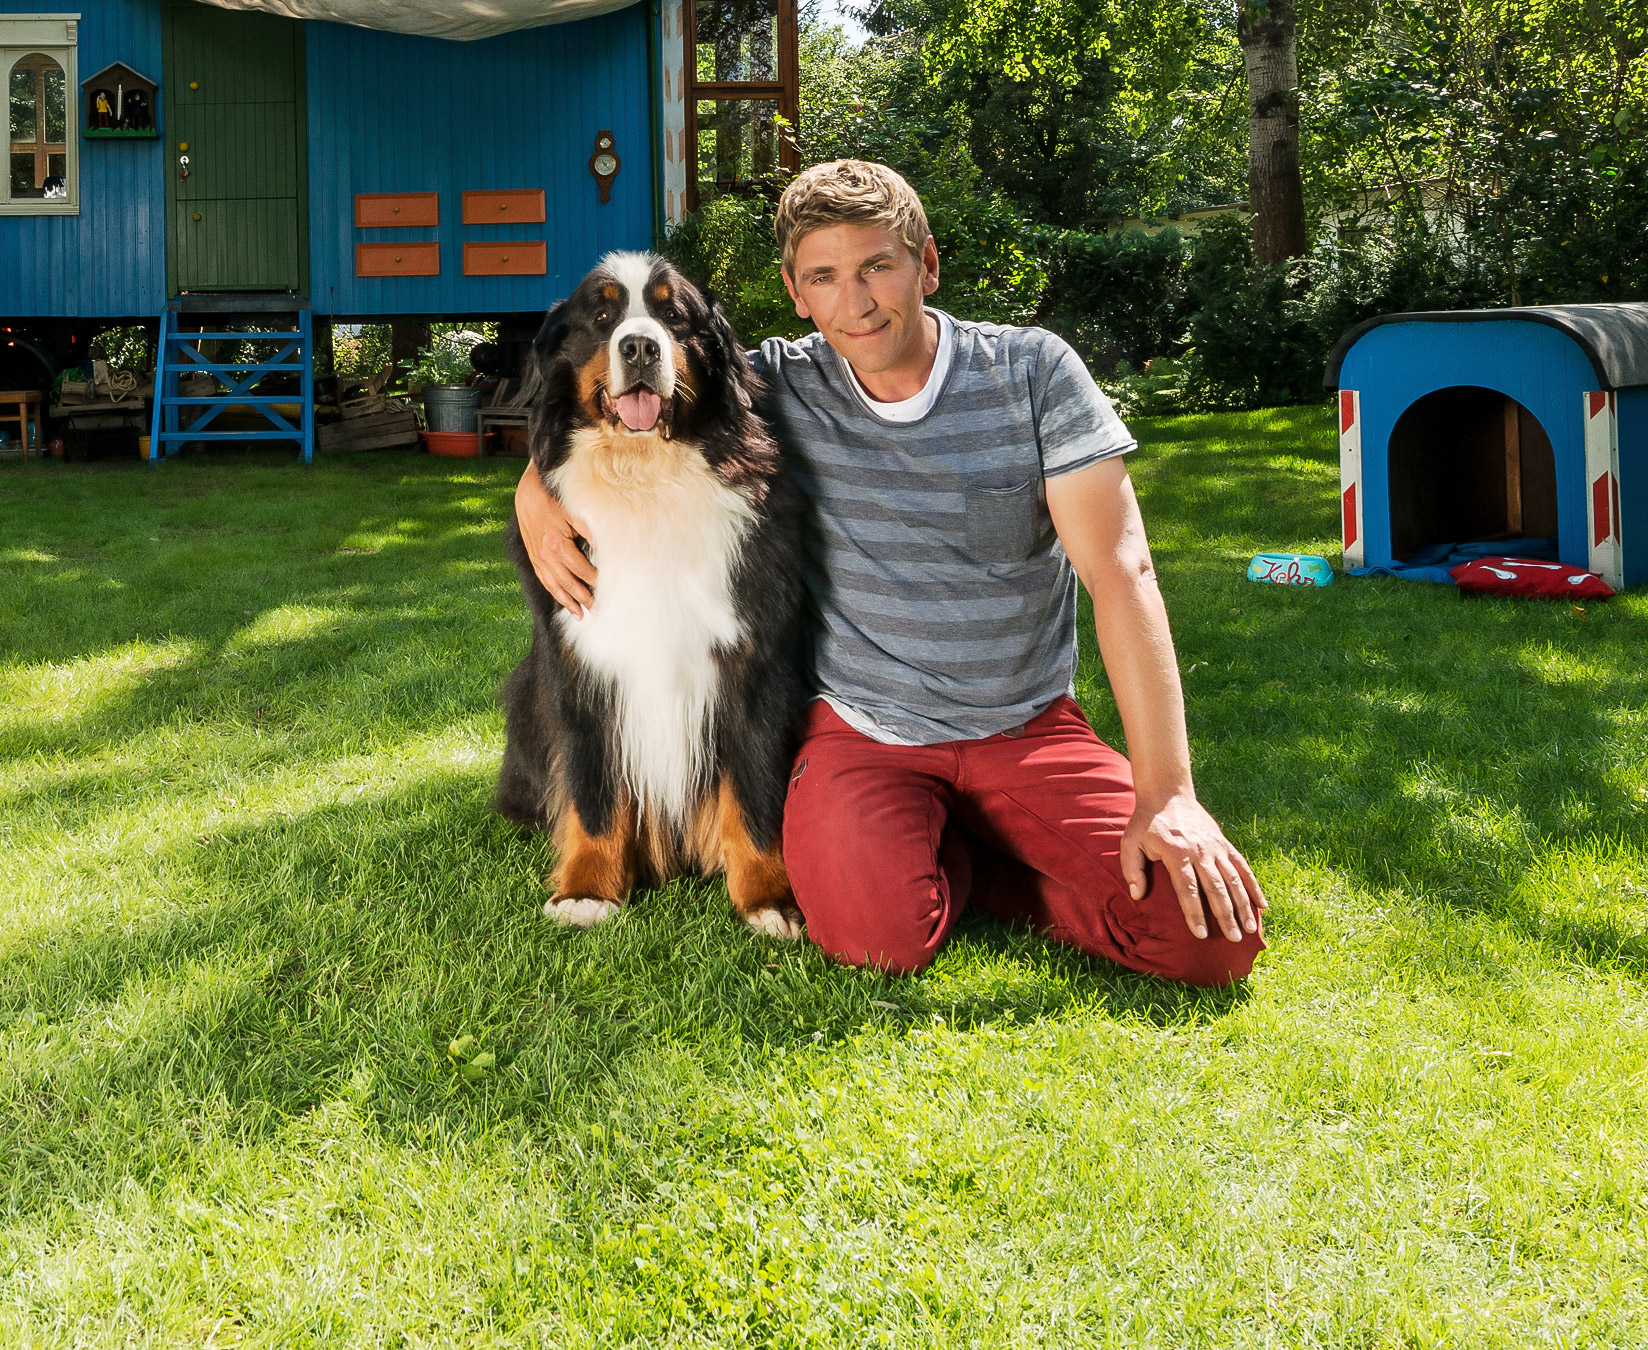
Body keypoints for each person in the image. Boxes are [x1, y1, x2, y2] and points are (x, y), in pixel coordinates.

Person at [513, 159, 1264, 986]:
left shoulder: (1034, 372)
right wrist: (534, 487)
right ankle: (954, 852)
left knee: (1211, 941)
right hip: (865, 732)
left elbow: (1125, 577)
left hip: (1024, 726)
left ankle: (979, 847)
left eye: (878, 266)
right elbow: (623, 388)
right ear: (798, 294)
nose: (857, 302)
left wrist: (1168, 795)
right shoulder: (782, 378)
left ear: (927, 264)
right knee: (876, 937)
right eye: (825, 277)